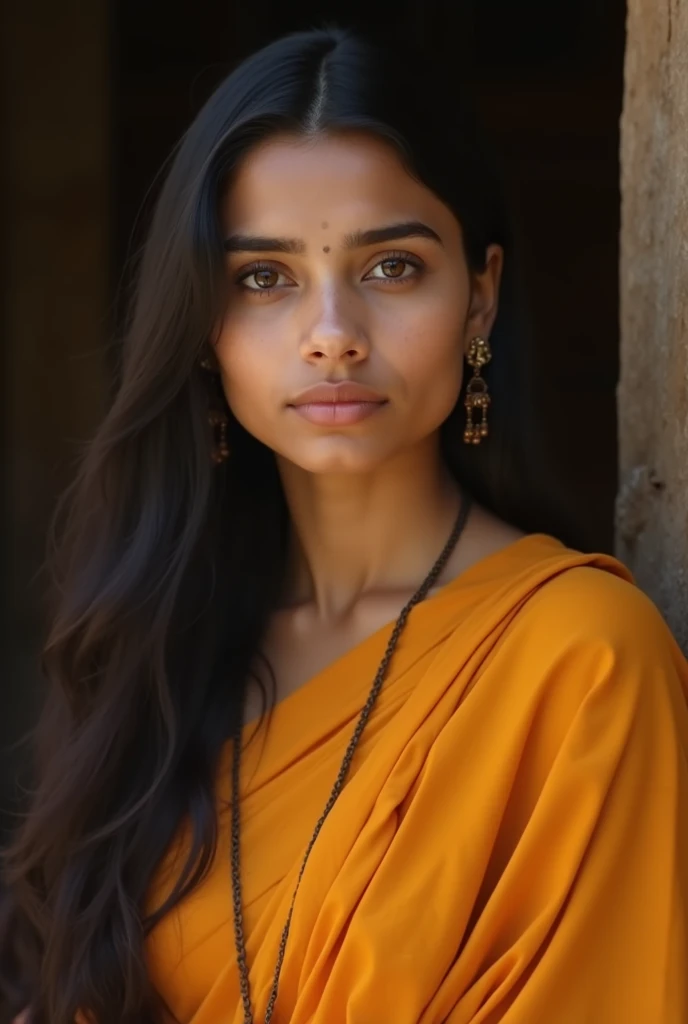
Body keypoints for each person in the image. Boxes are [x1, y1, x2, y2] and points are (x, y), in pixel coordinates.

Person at [2, 24, 687, 1024]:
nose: (330, 334)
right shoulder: (159, 650)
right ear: (202, 326)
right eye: (263, 278)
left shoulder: (579, 662)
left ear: (480, 297)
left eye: (391, 267)